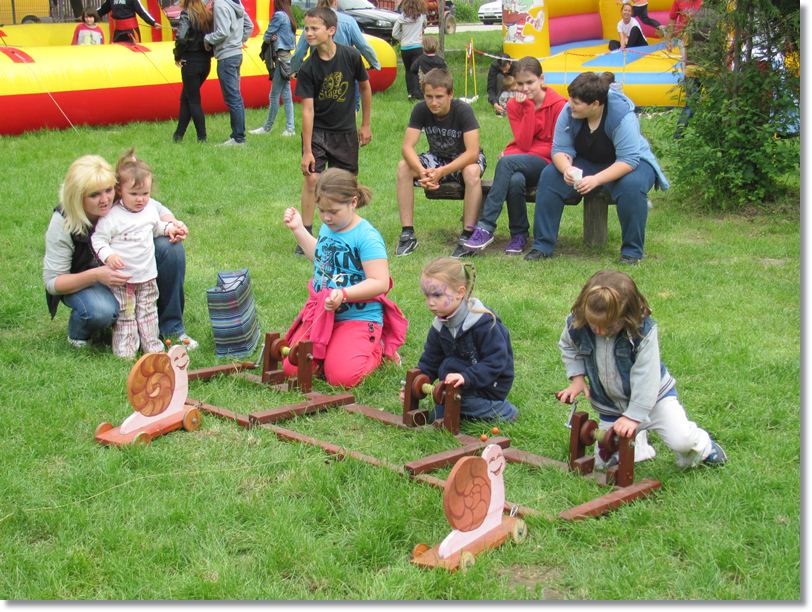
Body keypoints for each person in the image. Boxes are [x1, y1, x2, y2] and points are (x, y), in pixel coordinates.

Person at [556, 270, 727, 468]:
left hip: (656, 400)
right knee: (605, 462)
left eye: (608, 327)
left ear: (626, 316)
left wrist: (633, 416)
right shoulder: (577, 322)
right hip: (613, 406)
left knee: (682, 441)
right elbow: (568, 345)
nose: (600, 331)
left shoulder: (642, 333)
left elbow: (647, 377)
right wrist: (577, 378)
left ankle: (704, 446)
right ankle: (640, 447)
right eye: (594, 325)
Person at [43, 155, 197, 350]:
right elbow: (53, 283)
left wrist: (173, 224)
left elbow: (156, 208)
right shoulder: (63, 222)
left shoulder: (119, 196)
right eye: (94, 195)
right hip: (86, 281)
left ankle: (171, 329)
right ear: (78, 196)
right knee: (101, 310)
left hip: (126, 271)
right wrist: (97, 275)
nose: (105, 199)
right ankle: (80, 331)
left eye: (108, 190)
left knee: (170, 248)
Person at [525, 71, 669, 264]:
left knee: (632, 187)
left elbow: (629, 160)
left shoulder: (622, 116)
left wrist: (596, 180)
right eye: (570, 99)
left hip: (630, 163)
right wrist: (566, 168)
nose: (569, 105)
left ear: (595, 104)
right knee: (551, 175)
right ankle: (542, 246)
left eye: (576, 102)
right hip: (590, 160)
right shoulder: (568, 112)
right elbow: (559, 149)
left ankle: (632, 253)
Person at [282, 168, 407, 387]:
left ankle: (378, 348)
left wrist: (344, 294)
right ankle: (334, 351)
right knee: (293, 368)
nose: (326, 217)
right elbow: (321, 258)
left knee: (342, 378)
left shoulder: (367, 237)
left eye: (333, 211)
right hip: (323, 313)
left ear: (353, 202)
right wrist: (299, 230)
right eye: (321, 210)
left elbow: (380, 282)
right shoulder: (328, 227)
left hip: (357, 317)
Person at [462, 57, 566, 257]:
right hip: (525, 160)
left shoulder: (559, 105)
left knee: (506, 162)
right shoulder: (514, 105)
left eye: (530, 82)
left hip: (549, 164)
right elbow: (524, 142)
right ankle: (519, 234)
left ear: (542, 79)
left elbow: (556, 149)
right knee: (515, 179)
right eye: (520, 83)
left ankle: (486, 226)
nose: (524, 88)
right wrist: (527, 108)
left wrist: (513, 153)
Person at [91, 150, 186, 358]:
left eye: (145, 194)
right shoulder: (113, 216)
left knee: (148, 312)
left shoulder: (149, 209)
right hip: (124, 279)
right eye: (134, 194)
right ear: (120, 190)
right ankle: (125, 351)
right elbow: (98, 239)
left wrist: (170, 228)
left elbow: (156, 227)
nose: (140, 199)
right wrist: (108, 256)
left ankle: (153, 348)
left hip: (147, 276)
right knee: (127, 315)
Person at [293, 7, 372, 256]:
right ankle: (306, 234)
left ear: (331, 30)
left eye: (314, 28)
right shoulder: (308, 68)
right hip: (318, 132)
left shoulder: (351, 56)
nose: (308, 33)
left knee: (345, 184)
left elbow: (365, 88)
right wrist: (307, 151)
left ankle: (346, 232)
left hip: (345, 132)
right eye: (306, 28)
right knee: (312, 178)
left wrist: (365, 124)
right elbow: (307, 111)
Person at [413, 257, 518, 422]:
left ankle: (504, 411)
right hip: (456, 384)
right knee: (437, 415)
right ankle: (458, 406)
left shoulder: (484, 323)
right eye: (427, 295)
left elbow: (496, 362)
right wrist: (414, 384)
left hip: (488, 384)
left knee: (457, 402)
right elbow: (430, 360)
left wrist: (466, 377)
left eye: (437, 295)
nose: (430, 302)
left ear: (460, 292)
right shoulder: (440, 326)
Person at [395, 68, 486, 258]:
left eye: (439, 97)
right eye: (429, 97)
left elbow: (472, 152)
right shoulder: (420, 109)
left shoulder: (463, 110)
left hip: (464, 159)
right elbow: (407, 147)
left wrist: (442, 172)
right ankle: (407, 234)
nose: (433, 102)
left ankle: (468, 235)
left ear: (450, 94)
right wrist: (422, 171)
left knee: (471, 172)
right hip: (437, 157)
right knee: (404, 167)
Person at [204, 0, 254, 146]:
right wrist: (238, 41)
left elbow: (223, 32)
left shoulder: (220, 4)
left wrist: (207, 39)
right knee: (236, 97)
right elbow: (249, 26)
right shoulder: (237, 3)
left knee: (233, 98)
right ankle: (238, 136)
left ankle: (238, 138)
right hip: (237, 54)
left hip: (226, 56)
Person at [289, 0, 381, 76]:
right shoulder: (349, 21)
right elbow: (363, 46)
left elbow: (300, 51)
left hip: (319, 71)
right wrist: (374, 64)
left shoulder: (312, 22)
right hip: (345, 71)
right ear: (335, 2)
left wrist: (294, 70)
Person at [249, 0, 297, 137]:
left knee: (274, 95)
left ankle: (267, 127)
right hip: (287, 58)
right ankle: (290, 128)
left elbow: (266, 37)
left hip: (280, 59)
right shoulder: (289, 16)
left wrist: (271, 38)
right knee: (286, 95)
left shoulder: (279, 15)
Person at [172, 0, 213, 143]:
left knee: (193, 100)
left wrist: (177, 55)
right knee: (186, 97)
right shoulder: (207, 15)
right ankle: (178, 135)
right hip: (205, 62)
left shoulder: (187, 14)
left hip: (190, 62)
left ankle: (202, 137)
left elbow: (181, 38)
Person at [393, 0, 427, 100]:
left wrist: (402, 38)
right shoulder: (421, 16)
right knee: (416, 70)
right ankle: (417, 93)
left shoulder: (401, 18)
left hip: (405, 48)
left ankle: (410, 93)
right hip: (417, 46)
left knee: (408, 70)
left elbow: (394, 33)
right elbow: (424, 25)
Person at [96, 0, 160, 43]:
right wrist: (91, 15)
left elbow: (142, 11)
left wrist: (153, 23)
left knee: (135, 52)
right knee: (117, 52)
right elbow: (102, 9)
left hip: (131, 31)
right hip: (118, 31)